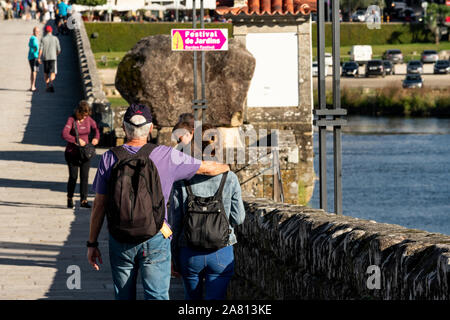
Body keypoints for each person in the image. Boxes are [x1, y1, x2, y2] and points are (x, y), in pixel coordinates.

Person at [86, 104, 230, 300]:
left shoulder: (109, 157)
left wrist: (92, 243)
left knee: (123, 296)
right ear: (151, 128)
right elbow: (206, 168)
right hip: (155, 235)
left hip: (119, 236)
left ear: (123, 127)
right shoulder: (166, 155)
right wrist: (226, 167)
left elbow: (99, 205)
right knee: (157, 295)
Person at [169, 124, 245, 300]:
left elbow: (176, 221)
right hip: (221, 250)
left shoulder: (182, 179)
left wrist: (174, 257)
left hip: (189, 251)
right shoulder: (230, 177)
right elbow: (239, 218)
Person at [61, 101, 99, 209]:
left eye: (85, 115)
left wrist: (96, 138)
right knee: (73, 176)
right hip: (72, 153)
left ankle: (84, 200)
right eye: (82, 115)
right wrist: (76, 140)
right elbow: (64, 134)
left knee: (84, 176)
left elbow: (96, 129)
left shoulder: (88, 120)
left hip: (85, 153)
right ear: (78, 112)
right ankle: (70, 198)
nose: (83, 117)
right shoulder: (71, 120)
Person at [38, 25, 60, 92]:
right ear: (51, 31)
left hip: (45, 58)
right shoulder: (55, 38)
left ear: (45, 31)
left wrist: (39, 58)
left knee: (46, 73)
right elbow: (59, 50)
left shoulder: (43, 39)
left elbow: (41, 49)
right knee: (53, 72)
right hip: (53, 58)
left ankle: (47, 86)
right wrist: (56, 54)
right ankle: (51, 82)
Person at [28, 26, 40, 92]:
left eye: (38, 31)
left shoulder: (31, 38)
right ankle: (33, 86)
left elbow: (30, 45)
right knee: (34, 72)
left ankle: (32, 86)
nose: (38, 32)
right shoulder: (34, 38)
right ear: (34, 31)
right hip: (34, 57)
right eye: (36, 31)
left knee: (32, 71)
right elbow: (36, 46)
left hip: (30, 57)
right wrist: (38, 56)